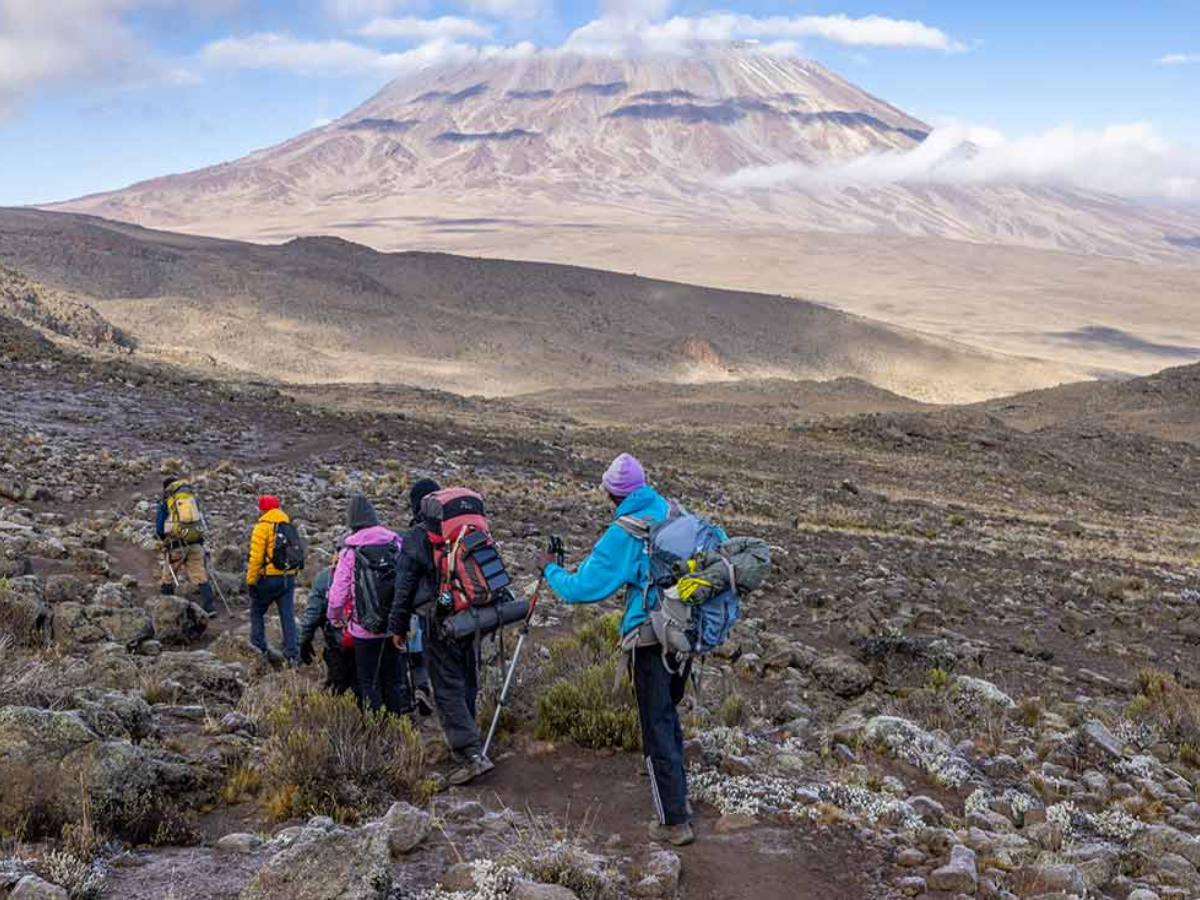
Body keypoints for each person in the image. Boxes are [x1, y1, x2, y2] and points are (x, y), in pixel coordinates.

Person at [538, 453, 699, 847]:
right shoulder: (671, 512)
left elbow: (581, 589)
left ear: (613, 494)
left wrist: (549, 570)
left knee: (655, 725)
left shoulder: (625, 531)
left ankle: (673, 822)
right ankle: (679, 801)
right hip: (684, 634)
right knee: (668, 718)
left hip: (649, 639)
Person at [390, 478, 492, 786]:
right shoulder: (462, 531)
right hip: (473, 614)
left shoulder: (417, 538)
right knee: (467, 675)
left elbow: (404, 587)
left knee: (446, 685)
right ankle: (470, 733)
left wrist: (398, 626)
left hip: (440, 619)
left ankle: (470, 753)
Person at [327, 494, 413, 717]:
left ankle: (376, 734)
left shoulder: (350, 551)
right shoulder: (396, 543)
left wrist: (334, 617)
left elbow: (337, 596)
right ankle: (397, 732)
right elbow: (408, 579)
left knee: (369, 684)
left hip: (363, 630)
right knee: (393, 682)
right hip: (395, 625)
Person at [245, 495, 300, 664]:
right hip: (288, 577)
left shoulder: (263, 526)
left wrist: (250, 580)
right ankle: (292, 655)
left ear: (263, 509)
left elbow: (256, 558)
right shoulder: (287, 524)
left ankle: (259, 648)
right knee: (287, 615)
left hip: (268, 577)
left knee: (257, 611)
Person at [155, 475, 216, 615]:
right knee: (200, 575)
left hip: (176, 545)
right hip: (195, 542)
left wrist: (165, 540)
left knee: (168, 575)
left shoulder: (167, 502)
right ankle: (210, 607)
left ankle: (166, 608)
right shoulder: (191, 500)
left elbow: (159, 528)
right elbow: (201, 521)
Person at [298, 565, 358, 698]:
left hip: (339, 644)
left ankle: (341, 713)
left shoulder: (326, 577)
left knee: (339, 688)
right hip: (373, 642)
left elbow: (312, 616)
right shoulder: (378, 567)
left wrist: (304, 642)